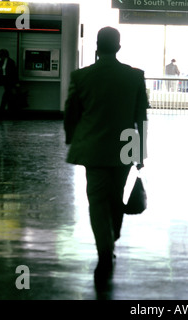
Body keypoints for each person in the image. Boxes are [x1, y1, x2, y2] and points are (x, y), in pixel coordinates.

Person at [64, 27, 149, 289]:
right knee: (116, 197)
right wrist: (140, 152)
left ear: (97, 47)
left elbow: (71, 113)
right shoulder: (135, 77)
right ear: (119, 48)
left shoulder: (81, 76)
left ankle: (104, 249)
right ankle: (112, 237)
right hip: (124, 146)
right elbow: (140, 117)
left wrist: (72, 139)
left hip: (93, 148)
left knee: (97, 200)